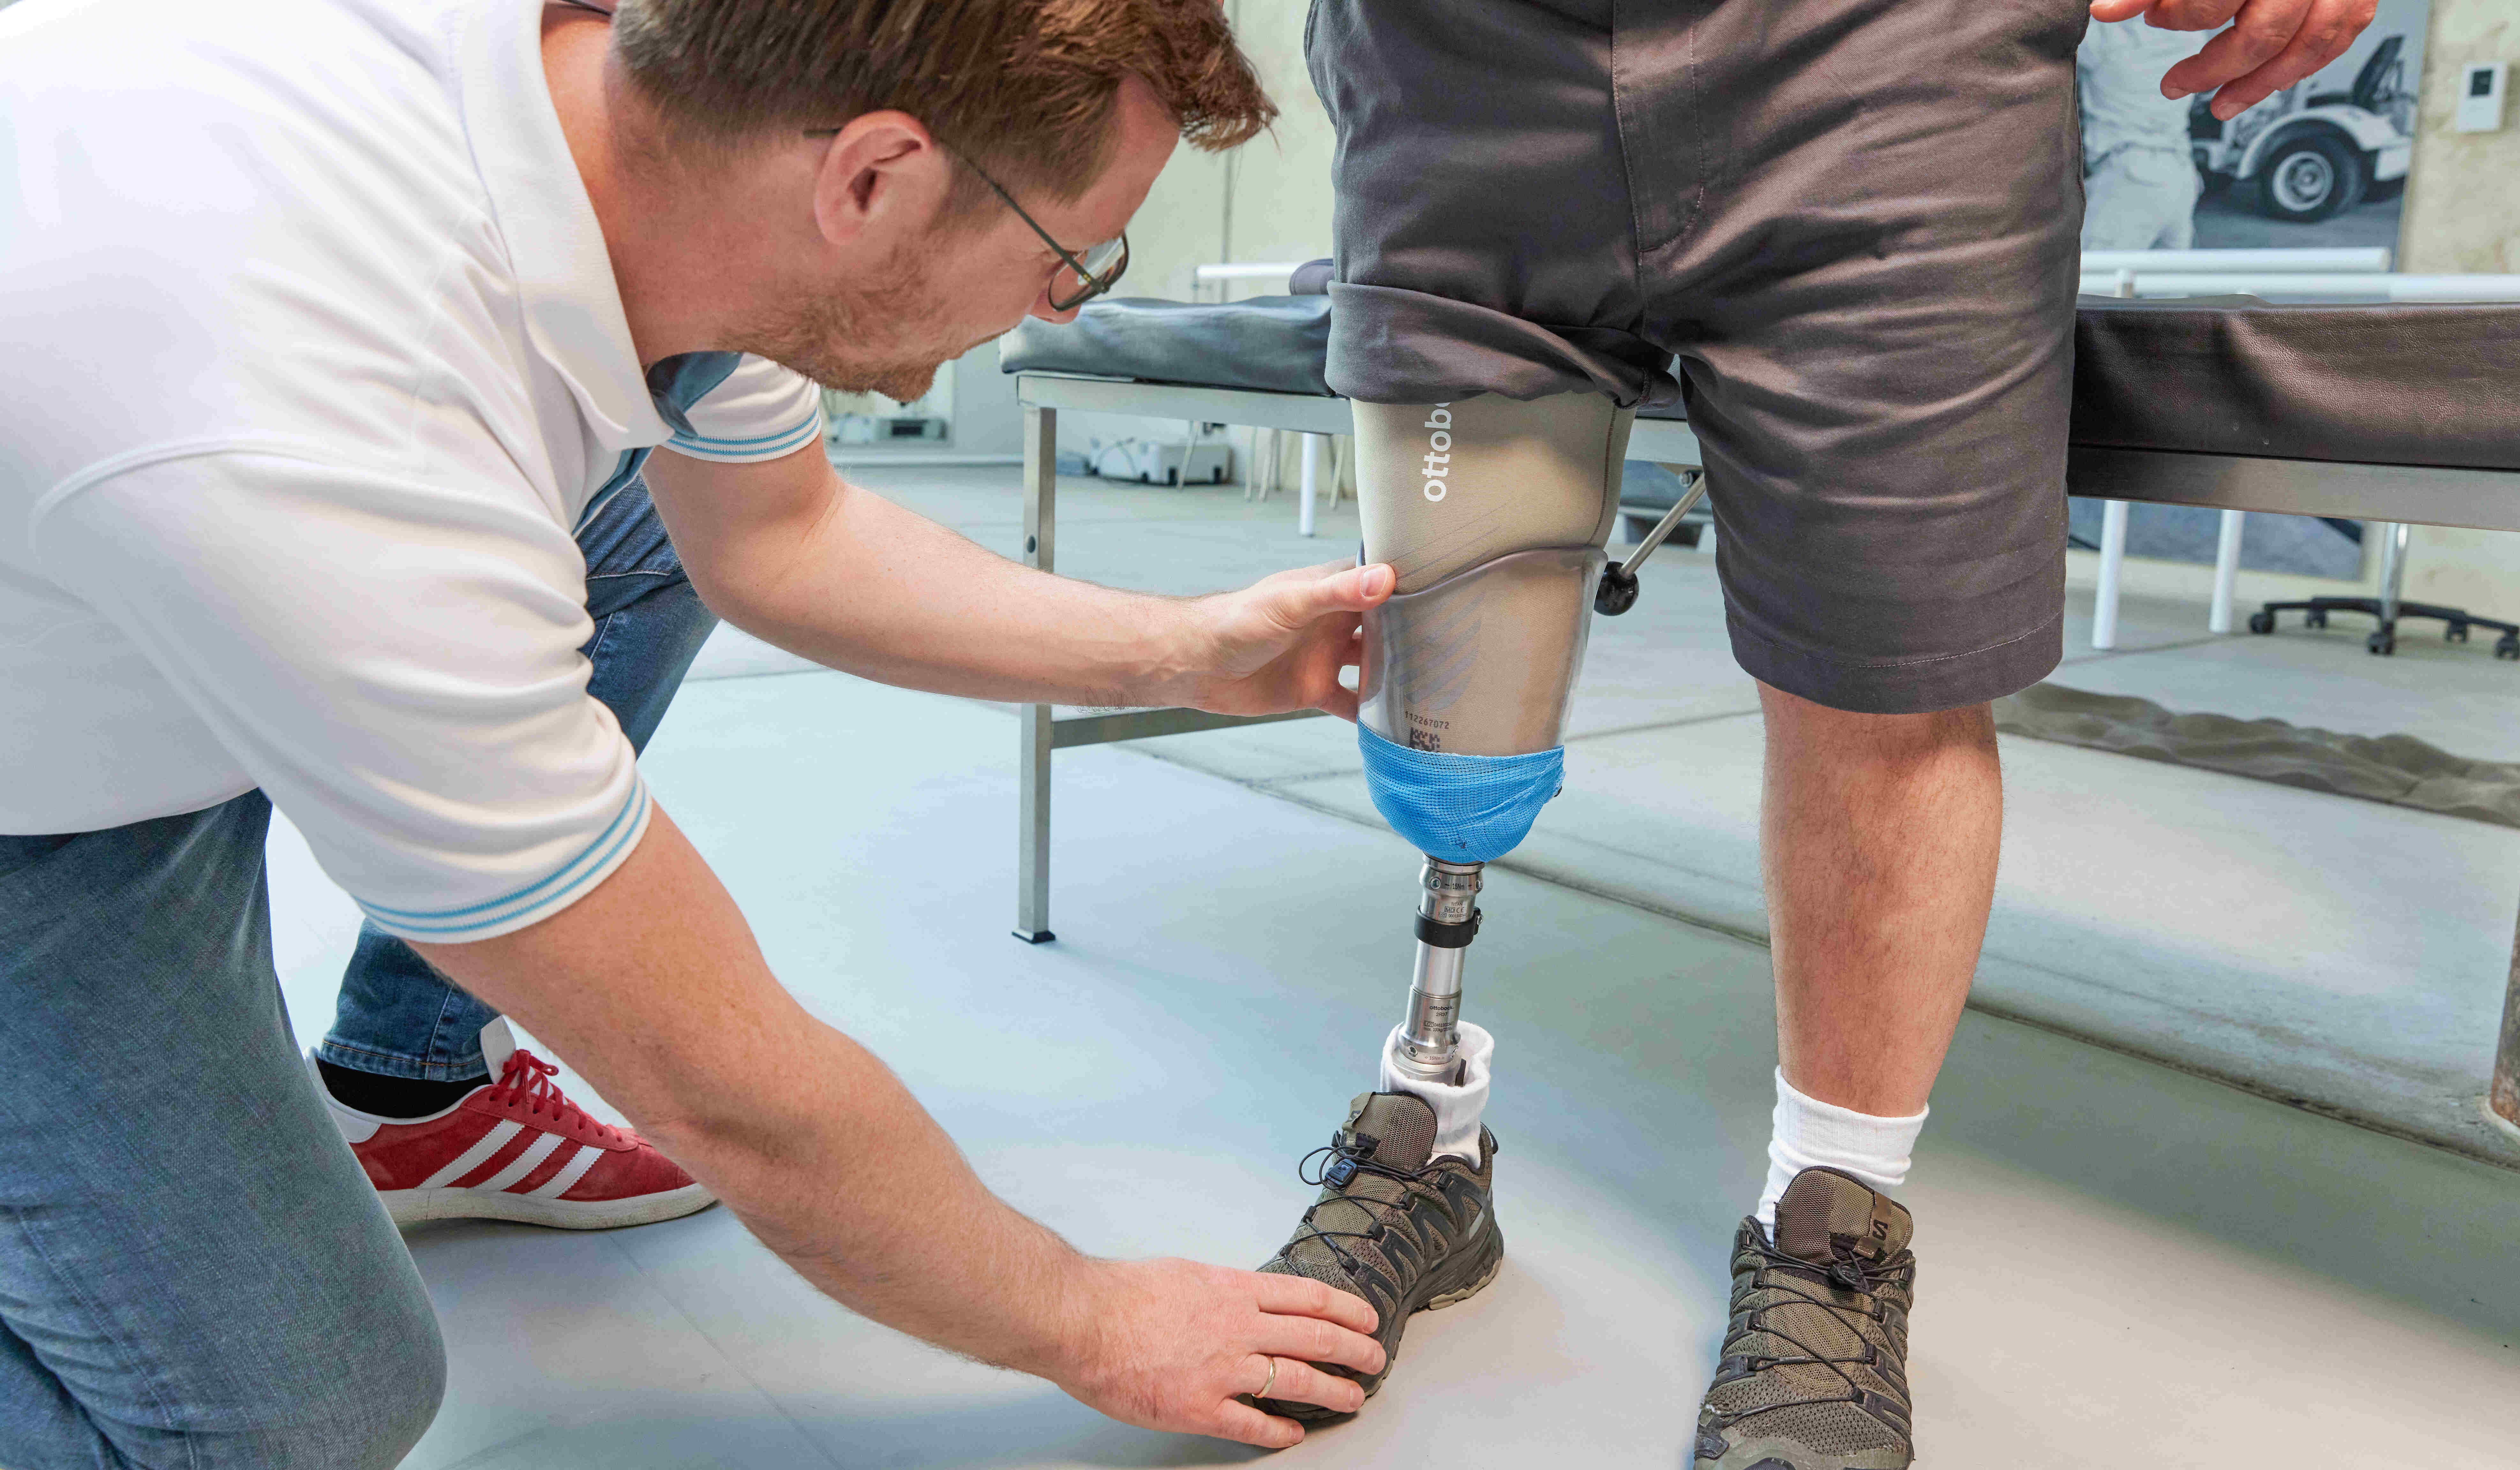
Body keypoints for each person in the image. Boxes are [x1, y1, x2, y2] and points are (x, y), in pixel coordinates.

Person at [0, 0, 1402, 1462]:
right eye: (1069, 254)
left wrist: (1188, 651)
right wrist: (1090, 1316)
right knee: (286, 1415)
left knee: (639, 529)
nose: (1060, 306)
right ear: (874, 180)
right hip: (43, 806)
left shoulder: (655, 143)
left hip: (113, 576)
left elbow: (780, 538)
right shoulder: (347, 438)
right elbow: (737, 1100)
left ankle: (412, 1089)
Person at [1241, 1, 2379, 1466]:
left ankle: (1830, 1219)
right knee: (1456, 699)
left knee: (1884, 684)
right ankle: (1428, 1139)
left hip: (1889, 68)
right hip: (1462, 63)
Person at [2080, 15, 2219, 251]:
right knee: (2166, 283)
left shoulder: (2107, 36)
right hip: (2180, 175)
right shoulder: (2191, 37)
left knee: (2094, 283)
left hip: (2129, 178)